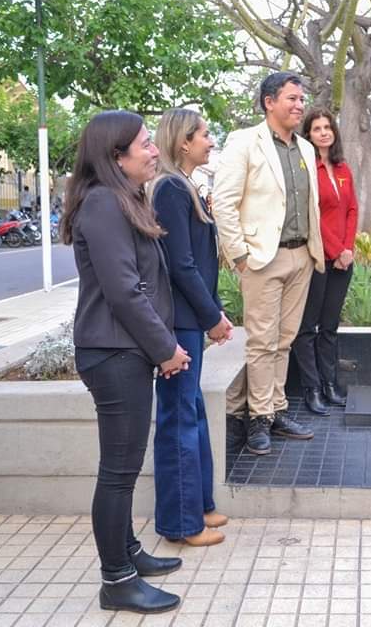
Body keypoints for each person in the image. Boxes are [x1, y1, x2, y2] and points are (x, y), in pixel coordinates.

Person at [61, 110, 191, 614]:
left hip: (124, 350)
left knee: (125, 469)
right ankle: (116, 580)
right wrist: (166, 348)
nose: (155, 150)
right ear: (116, 157)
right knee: (118, 472)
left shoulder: (121, 199)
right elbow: (124, 291)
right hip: (114, 353)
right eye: (145, 144)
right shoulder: (103, 204)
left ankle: (129, 553)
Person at [212, 71, 326, 455]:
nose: (299, 105)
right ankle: (258, 418)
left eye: (301, 99)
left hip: (301, 255)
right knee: (262, 342)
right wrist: (240, 256)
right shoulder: (244, 142)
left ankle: (275, 410)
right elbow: (224, 203)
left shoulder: (305, 148)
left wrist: (312, 252)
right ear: (269, 102)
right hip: (262, 258)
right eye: (292, 98)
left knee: (284, 340)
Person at [150, 109, 233, 547]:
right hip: (179, 323)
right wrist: (211, 317)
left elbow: (199, 263)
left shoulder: (184, 186)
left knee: (192, 413)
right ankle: (181, 525)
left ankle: (199, 506)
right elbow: (180, 265)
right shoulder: (170, 189)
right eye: (204, 134)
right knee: (179, 420)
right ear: (183, 142)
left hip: (189, 320)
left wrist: (214, 310)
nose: (210, 141)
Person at [293, 108, 358, 415]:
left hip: (343, 260)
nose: (323, 132)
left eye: (327, 127)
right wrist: (336, 250)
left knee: (330, 326)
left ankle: (330, 384)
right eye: (317, 128)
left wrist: (348, 249)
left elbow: (352, 210)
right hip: (318, 258)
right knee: (308, 327)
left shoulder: (342, 168)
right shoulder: (306, 169)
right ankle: (312, 388)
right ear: (308, 134)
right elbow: (313, 216)